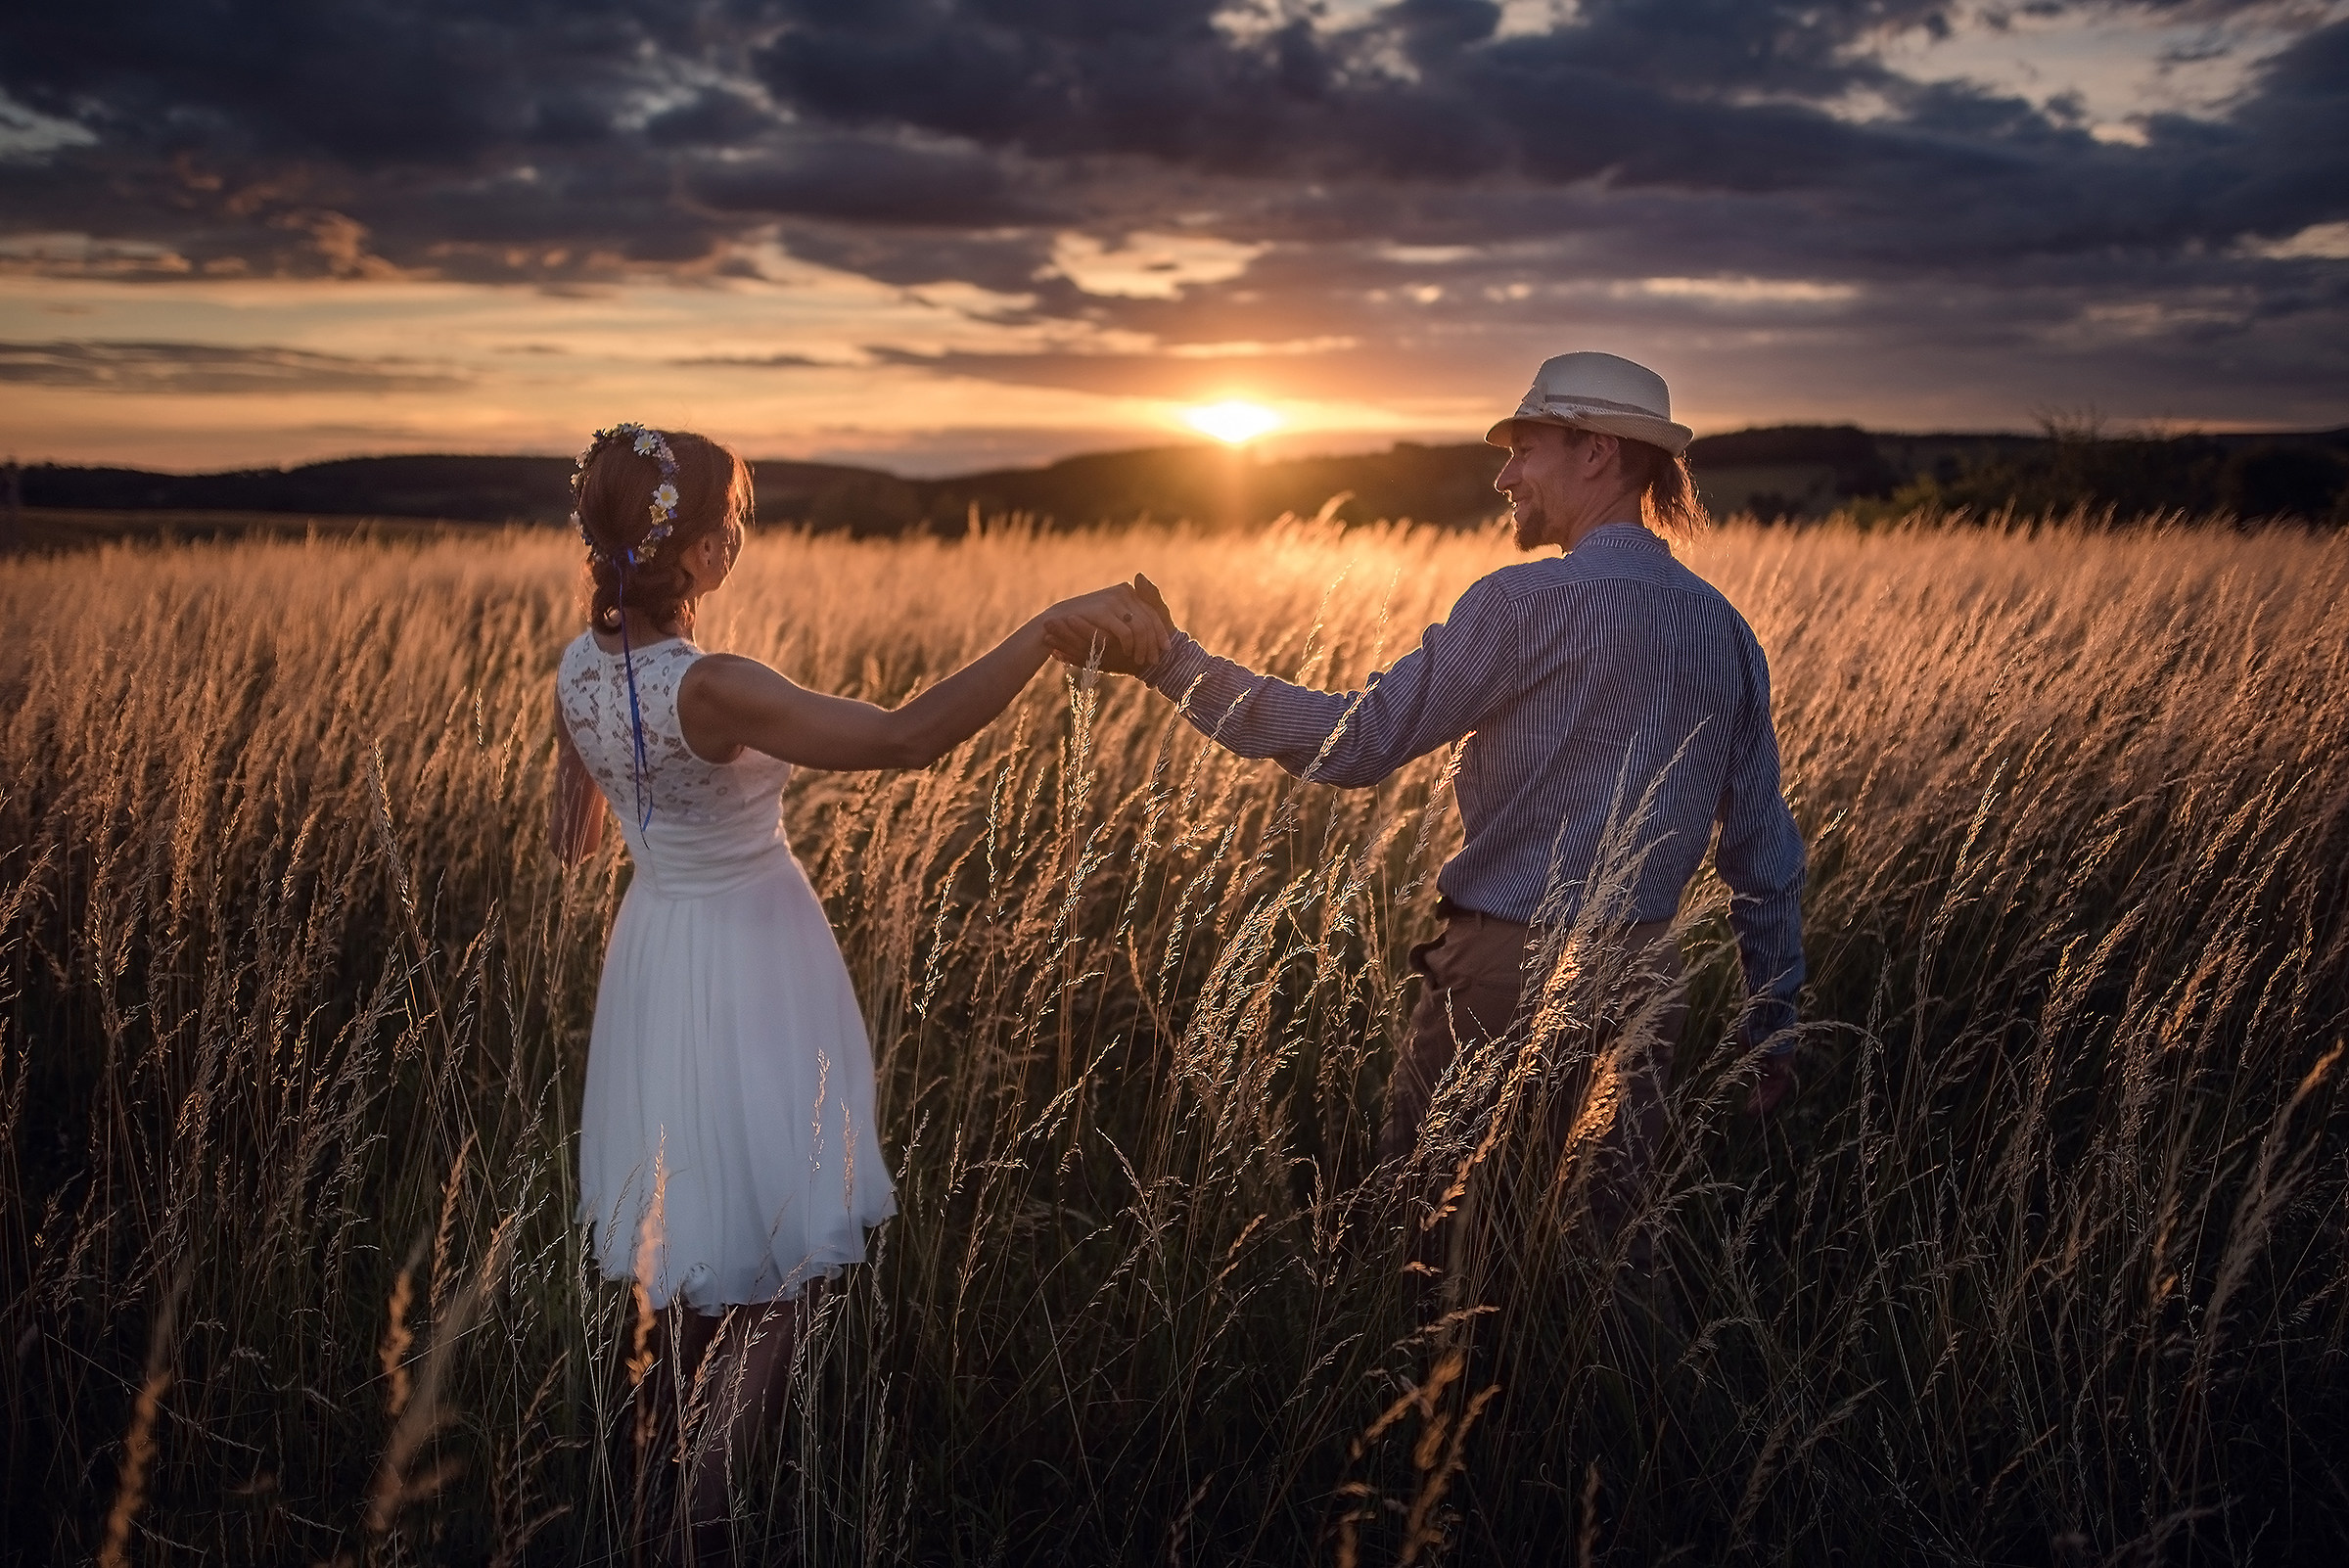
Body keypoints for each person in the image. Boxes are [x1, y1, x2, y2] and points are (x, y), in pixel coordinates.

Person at [548, 424, 1166, 1563]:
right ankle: (703, 1531)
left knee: (683, 1257)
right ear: (687, 553)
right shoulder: (715, 685)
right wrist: (1039, 634)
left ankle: (642, 1510)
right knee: (781, 1266)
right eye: (731, 519)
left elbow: (573, 831)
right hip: (751, 959)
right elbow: (901, 739)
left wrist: (663, 821)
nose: (741, 534)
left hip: (657, 954)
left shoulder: (581, 667)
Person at [1087, 351, 1805, 1252]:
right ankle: (1602, 1398)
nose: (1504, 475)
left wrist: (1171, 663)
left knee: (1433, 1241)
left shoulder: (1519, 605)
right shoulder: (1724, 629)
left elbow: (1355, 744)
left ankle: (1438, 1397)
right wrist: (1774, 1021)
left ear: (1597, 455)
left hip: (1503, 976)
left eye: (1526, 449)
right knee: (1604, 1264)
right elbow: (1762, 859)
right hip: (1644, 983)